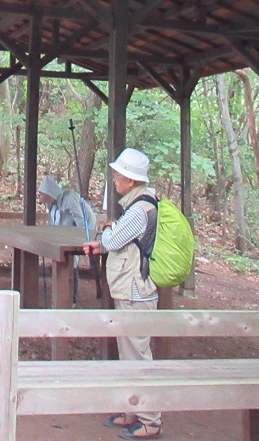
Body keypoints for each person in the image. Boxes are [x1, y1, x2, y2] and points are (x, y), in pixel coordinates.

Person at [83, 148, 162, 440]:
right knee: (128, 353)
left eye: (119, 174)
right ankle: (133, 409)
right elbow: (122, 241)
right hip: (130, 289)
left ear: (130, 180)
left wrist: (104, 235)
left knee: (138, 355)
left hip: (135, 291)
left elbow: (116, 239)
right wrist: (105, 240)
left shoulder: (139, 209)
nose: (115, 179)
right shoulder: (138, 207)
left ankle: (151, 419)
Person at [38, 172, 102, 301]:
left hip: (84, 227)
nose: (39, 197)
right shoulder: (51, 204)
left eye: (41, 194)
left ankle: (88, 291)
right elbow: (54, 221)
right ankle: (70, 294)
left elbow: (80, 219)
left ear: (49, 193)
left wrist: (81, 238)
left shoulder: (69, 198)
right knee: (65, 259)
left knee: (80, 259)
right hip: (67, 230)